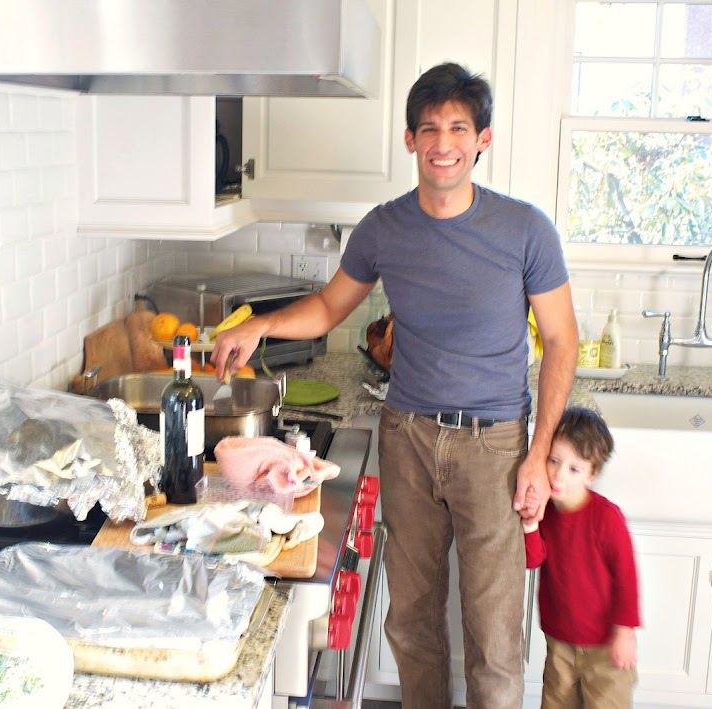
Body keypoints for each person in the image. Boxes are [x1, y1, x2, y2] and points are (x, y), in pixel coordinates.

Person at [212, 62, 578, 709]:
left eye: (458, 127)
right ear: (410, 139)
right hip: (408, 437)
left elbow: (562, 343)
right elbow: (327, 307)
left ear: (482, 139)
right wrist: (258, 325)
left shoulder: (525, 230)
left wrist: (538, 454)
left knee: (495, 634)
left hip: (493, 443)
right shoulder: (383, 228)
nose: (443, 141)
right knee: (411, 618)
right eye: (430, 127)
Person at [524, 407, 640, 709]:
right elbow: (533, 559)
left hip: (606, 646)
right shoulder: (546, 511)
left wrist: (625, 632)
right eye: (554, 461)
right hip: (560, 641)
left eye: (574, 469)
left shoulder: (606, 518)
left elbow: (626, 577)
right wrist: (530, 523)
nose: (559, 475)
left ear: (592, 474)